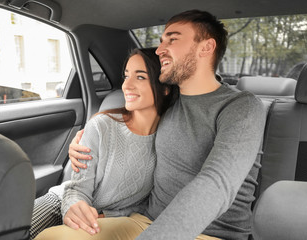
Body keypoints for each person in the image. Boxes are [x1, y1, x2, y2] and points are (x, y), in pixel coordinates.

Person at [63, 9, 266, 240]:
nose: (160, 50)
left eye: (172, 39)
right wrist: (85, 138)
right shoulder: (168, 100)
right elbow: (129, 127)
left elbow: (216, 183)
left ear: (206, 48)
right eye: (161, 41)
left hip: (211, 233)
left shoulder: (242, 107)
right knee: (55, 237)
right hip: (145, 221)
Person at [31, 48, 177, 239]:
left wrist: (109, 216)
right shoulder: (101, 126)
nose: (127, 86)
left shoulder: (172, 141)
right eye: (126, 76)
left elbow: (152, 203)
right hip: (62, 203)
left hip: (112, 221)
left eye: (140, 77)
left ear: (165, 88)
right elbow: (77, 188)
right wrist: (73, 207)